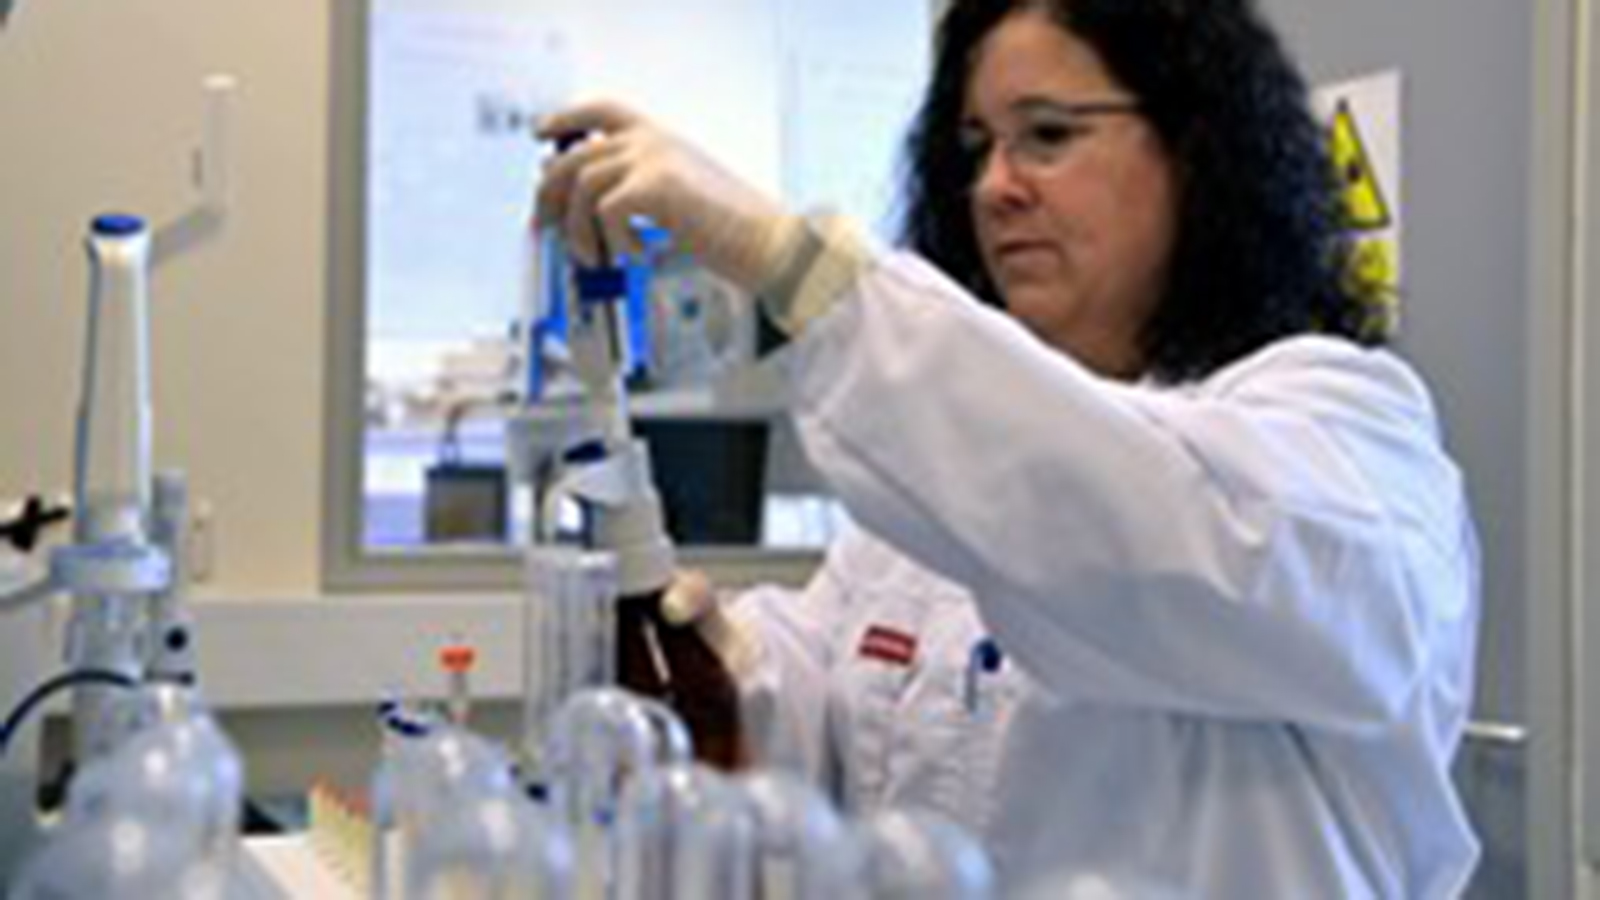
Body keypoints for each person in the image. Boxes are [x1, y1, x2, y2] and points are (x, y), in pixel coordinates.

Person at [534, 0, 1481, 896]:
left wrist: (796, 266)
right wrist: (725, 667)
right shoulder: (943, 471)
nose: (994, 187)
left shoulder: (1346, 431)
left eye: (1048, 135)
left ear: (1197, 151)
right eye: (977, 147)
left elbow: (1153, 529)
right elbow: (826, 724)